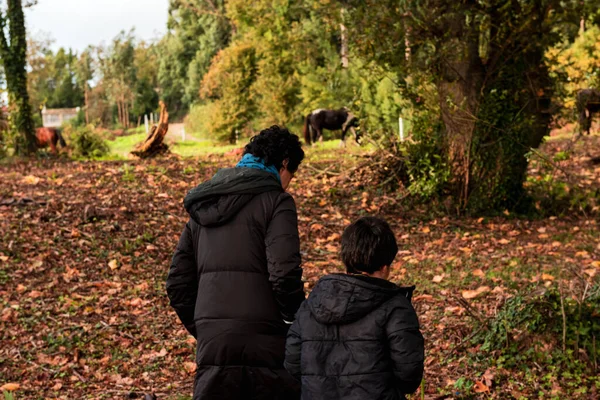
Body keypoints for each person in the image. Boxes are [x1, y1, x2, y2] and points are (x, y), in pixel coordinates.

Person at [167, 126, 306, 400]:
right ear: (285, 162)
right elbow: (284, 272)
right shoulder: (277, 201)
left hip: (213, 340)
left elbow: (177, 284)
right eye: (292, 174)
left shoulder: (205, 203)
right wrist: (294, 321)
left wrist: (206, 327)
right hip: (268, 338)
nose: (289, 183)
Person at [285, 217, 424, 400]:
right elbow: (409, 374)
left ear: (347, 258)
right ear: (385, 266)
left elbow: (292, 364)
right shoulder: (396, 308)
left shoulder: (312, 304)